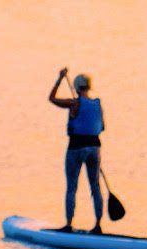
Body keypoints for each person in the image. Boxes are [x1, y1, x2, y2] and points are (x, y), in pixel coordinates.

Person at [48, 67, 104, 233]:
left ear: (77, 87)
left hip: (76, 148)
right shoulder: (97, 104)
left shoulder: (75, 103)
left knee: (72, 187)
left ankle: (68, 224)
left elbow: (51, 99)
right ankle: (98, 225)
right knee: (95, 186)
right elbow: (102, 127)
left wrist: (59, 79)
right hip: (95, 148)